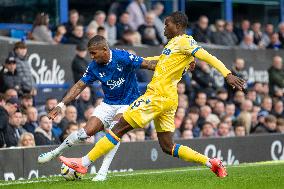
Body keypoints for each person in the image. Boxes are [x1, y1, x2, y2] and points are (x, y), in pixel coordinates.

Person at [60, 12, 245, 179]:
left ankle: (83, 163)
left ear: (178, 26)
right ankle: (210, 162)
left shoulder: (184, 41)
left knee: (118, 127)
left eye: (167, 24)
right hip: (169, 99)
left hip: (158, 96)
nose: (164, 28)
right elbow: (163, 62)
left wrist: (227, 74)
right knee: (167, 146)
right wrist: (185, 63)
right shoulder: (173, 45)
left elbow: (206, 55)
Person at [37, 35, 161, 181]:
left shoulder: (123, 57)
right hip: (108, 104)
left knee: (115, 130)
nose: (91, 56)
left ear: (104, 50)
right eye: (90, 53)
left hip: (129, 102)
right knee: (84, 133)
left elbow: (149, 64)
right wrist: (61, 104)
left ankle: (102, 172)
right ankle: (56, 152)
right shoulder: (94, 66)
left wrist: (177, 68)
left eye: (94, 53)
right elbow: (79, 86)